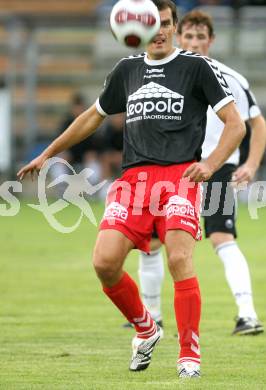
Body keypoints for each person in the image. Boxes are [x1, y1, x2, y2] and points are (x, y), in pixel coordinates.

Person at [17, 0, 245, 379]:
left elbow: (234, 124)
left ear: (173, 26)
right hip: (133, 181)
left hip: (179, 178)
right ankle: (146, 327)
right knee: (104, 263)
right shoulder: (127, 70)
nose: (159, 31)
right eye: (152, 24)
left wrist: (209, 164)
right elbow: (93, 116)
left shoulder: (194, 67)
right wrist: (48, 153)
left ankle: (189, 353)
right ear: (138, 27)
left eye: (166, 24)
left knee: (178, 259)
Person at [133, 9, 265, 336]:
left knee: (222, 237)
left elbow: (256, 123)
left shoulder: (229, 76)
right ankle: (152, 315)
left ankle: (247, 314)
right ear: (179, 36)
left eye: (200, 38)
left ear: (211, 41)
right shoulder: (165, 72)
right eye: (188, 36)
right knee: (151, 242)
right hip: (174, 169)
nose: (193, 43)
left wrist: (250, 164)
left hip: (217, 167)